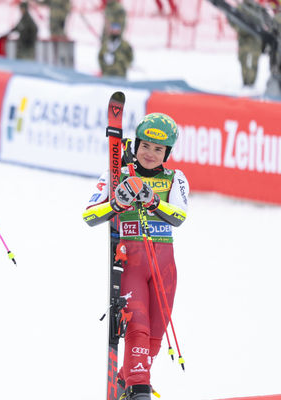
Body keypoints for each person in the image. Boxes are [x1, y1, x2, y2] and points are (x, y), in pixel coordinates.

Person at [83, 113, 189, 399]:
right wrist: (117, 203)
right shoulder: (117, 174)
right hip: (132, 263)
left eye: (158, 149)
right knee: (137, 328)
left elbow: (179, 216)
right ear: (137, 144)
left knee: (155, 336)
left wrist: (153, 201)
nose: (150, 154)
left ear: (167, 152)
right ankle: (139, 388)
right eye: (145, 146)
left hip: (164, 266)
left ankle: (123, 381)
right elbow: (89, 215)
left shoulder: (175, 178)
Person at [228, 0, 263, 87]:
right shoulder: (240, 8)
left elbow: (262, 21)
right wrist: (239, 28)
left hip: (255, 39)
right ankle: (245, 82)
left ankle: (252, 82)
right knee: (242, 60)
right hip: (244, 38)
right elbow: (231, 19)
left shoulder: (257, 8)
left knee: (254, 62)